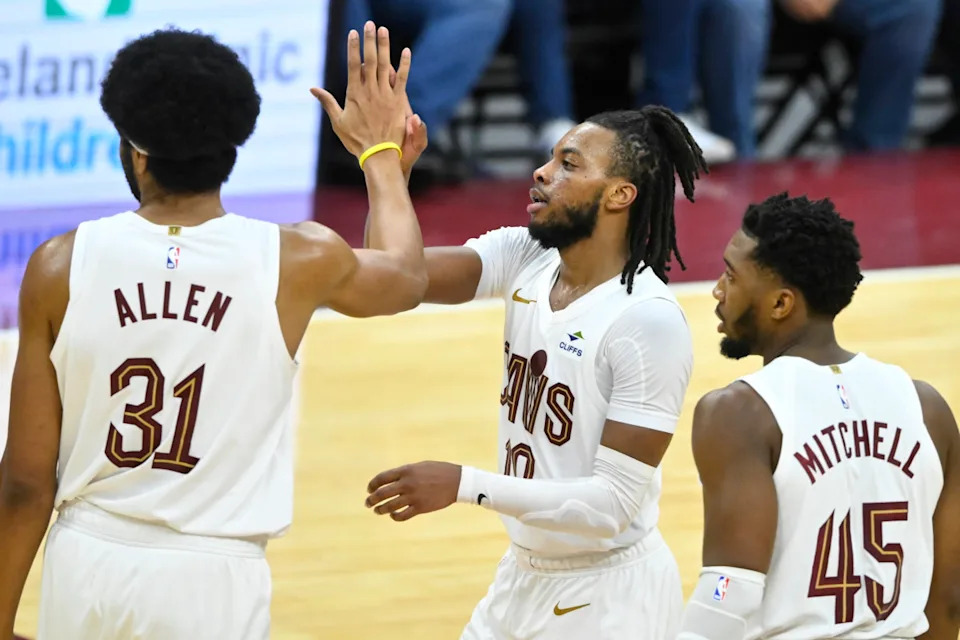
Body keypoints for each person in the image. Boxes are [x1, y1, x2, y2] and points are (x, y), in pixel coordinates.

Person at [0, 21, 426, 639]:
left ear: (135, 149)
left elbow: (23, 480)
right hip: (212, 574)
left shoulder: (59, 264)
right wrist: (380, 158)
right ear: (233, 147)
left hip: (86, 560)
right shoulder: (299, 258)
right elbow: (406, 277)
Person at [365, 106, 706, 638]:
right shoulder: (527, 255)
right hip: (522, 575)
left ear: (619, 194)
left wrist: (464, 484)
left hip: (608, 597)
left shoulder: (646, 321)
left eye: (569, 164)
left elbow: (612, 505)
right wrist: (385, 166)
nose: (543, 172)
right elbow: (390, 280)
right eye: (551, 159)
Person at [676, 193, 960, 639]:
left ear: (780, 304)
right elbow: (948, 599)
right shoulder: (928, 408)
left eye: (731, 275)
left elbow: (729, 595)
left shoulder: (739, 412)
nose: (717, 289)